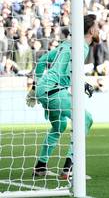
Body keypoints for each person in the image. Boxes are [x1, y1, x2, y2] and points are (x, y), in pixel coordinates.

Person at [28, 14, 99, 179]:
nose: (98, 29)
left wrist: (34, 88)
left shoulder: (66, 44)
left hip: (44, 90)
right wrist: (83, 84)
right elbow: (71, 70)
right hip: (55, 90)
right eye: (97, 26)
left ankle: (40, 166)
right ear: (91, 30)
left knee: (58, 126)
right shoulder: (81, 46)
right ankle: (69, 168)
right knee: (86, 119)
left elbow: (42, 61)